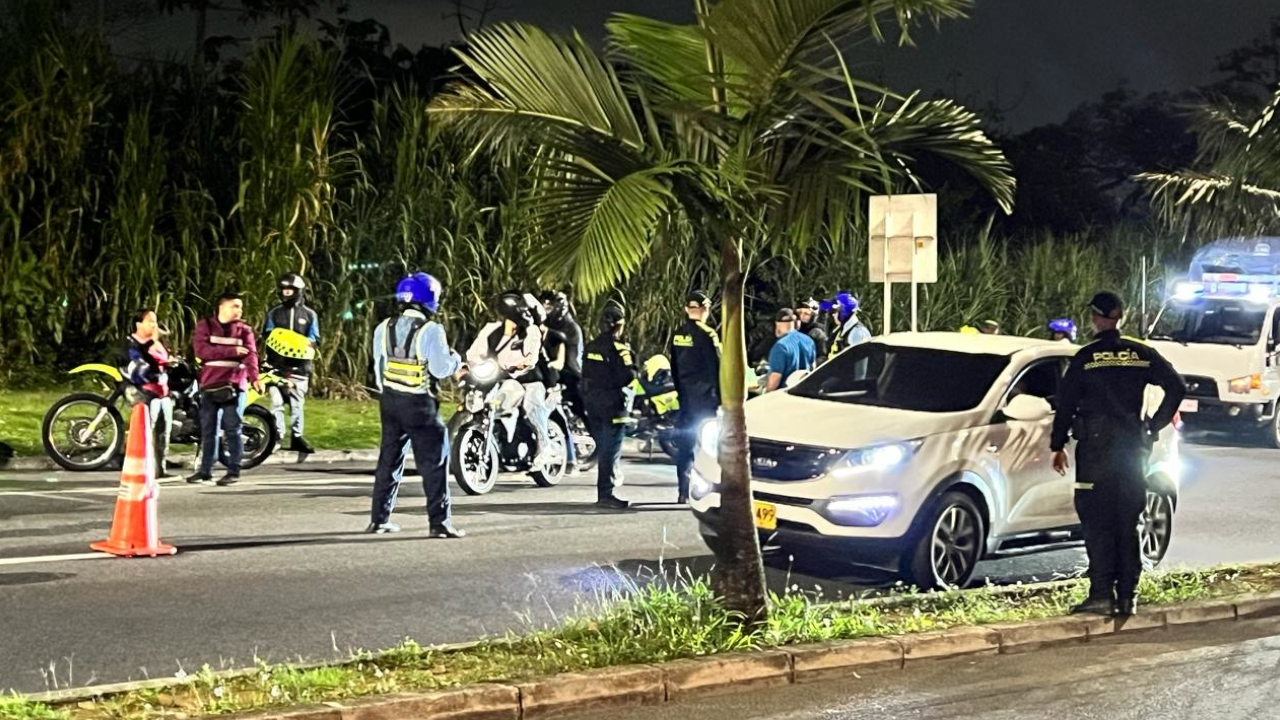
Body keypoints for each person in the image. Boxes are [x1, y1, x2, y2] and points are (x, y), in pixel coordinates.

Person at [1050, 291, 1186, 617]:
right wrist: (1153, 426)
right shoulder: (1141, 354)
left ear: (1096, 318)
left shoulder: (1086, 357)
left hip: (1095, 453)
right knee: (1128, 523)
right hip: (1131, 451)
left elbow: (1066, 403)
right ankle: (1127, 597)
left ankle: (1100, 595)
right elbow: (1177, 387)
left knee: (1097, 525)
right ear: (1120, 318)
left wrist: (1057, 445)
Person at [369, 272, 464, 537]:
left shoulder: (383, 326)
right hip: (419, 404)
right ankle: (440, 524)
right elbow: (440, 368)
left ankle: (379, 519)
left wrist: (388, 390)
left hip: (389, 401)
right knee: (434, 464)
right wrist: (456, 360)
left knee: (389, 460)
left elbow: (379, 368)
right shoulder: (431, 330)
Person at [466, 292, 554, 466]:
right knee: (474, 397)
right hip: (496, 378)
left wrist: (519, 367)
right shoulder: (491, 330)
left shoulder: (531, 332)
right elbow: (474, 353)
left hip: (528, 380)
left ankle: (545, 447)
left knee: (532, 405)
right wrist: (471, 366)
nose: (526, 314)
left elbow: (530, 359)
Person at [188, 292, 263, 487]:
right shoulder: (205, 326)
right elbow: (201, 351)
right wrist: (232, 352)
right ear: (221, 307)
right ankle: (205, 471)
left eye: (240, 307)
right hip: (209, 384)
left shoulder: (244, 330)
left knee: (232, 428)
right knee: (208, 430)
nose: (239, 310)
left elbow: (251, 355)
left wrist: (255, 378)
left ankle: (233, 471)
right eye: (234, 306)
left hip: (234, 385)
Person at [582, 300, 637, 509]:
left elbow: (585, 375)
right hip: (614, 406)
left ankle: (604, 491)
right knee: (610, 451)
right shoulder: (620, 349)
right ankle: (606, 493)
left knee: (604, 448)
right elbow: (629, 375)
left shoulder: (591, 347)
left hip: (593, 405)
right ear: (619, 326)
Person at [669, 291, 721, 504]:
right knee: (709, 447)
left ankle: (683, 491)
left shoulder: (677, 333)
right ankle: (706, 490)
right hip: (706, 400)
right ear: (705, 308)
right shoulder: (708, 334)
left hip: (686, 398)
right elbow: (717, 369)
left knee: (686, 446)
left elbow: (673, 367)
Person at [263, 272, 319, 454]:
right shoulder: (274, 313)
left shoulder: (310, 315)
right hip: (276, 366)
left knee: (297, 403)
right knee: (276, 402)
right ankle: (277, 436)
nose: (286, 293)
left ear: (299, 291)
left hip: (299, 367)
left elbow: (314, 337)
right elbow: (268, 333)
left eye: (290, 290)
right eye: (284, 290)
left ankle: (297, 437)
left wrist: (301, 344)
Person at [120, 308, 174, 478]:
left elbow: (163, 360)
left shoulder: (154, 342)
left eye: (155, 321)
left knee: (162, 432)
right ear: (138, 324)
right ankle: (138, 468)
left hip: (161, 391)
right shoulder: (132, 343)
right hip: (143, 391)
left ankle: (160, 469)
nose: (154, 325)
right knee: (144, 432)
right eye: (150, 321)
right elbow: (140, 363)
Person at [541, 290, 585, 421]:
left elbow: (565, 360)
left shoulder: (570, 327)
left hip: (568, 372)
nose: (545, 309)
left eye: (548, 307)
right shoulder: (544, 324)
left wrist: (547, 332)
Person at [766, 308, 816, 392]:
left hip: (783, 396)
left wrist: (764, 398)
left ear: (777, 324)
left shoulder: (780, 346)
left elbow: (775, 377)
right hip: (802, 394)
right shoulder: (809, 340)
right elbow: (812, 368)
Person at [825, 292, 870, 359]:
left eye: (836, 311)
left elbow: (861, 363)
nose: (833, 315)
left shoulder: (858, 332)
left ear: (844, 312)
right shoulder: (841, 330)